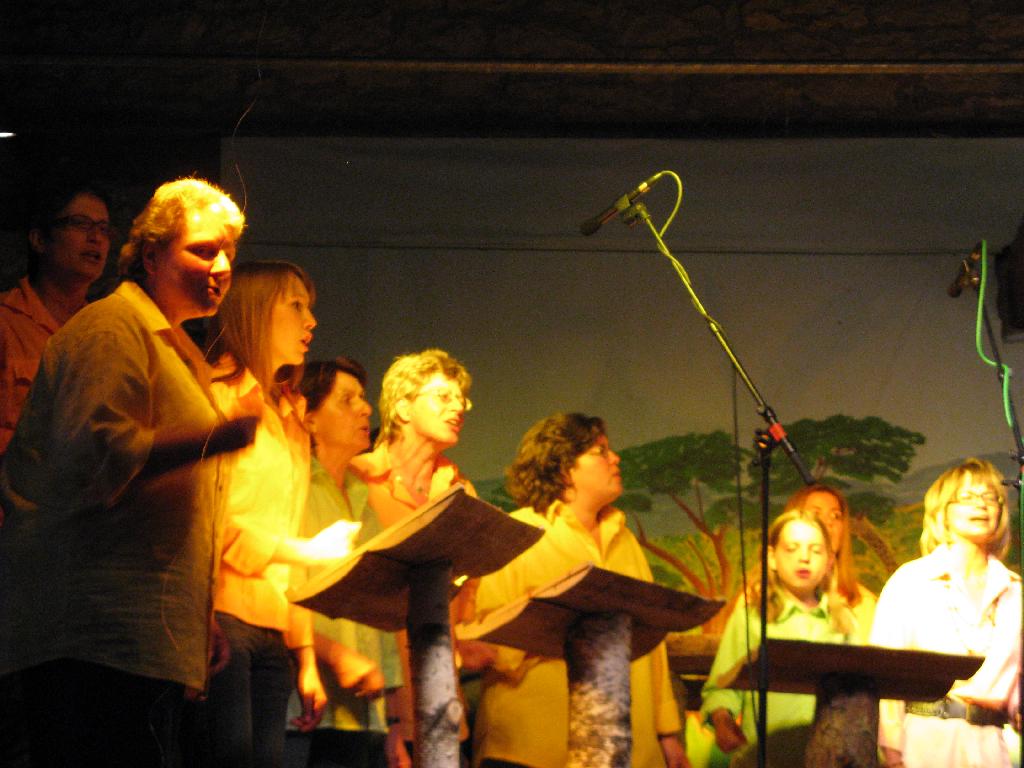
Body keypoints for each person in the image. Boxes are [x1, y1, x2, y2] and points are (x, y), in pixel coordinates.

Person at [0, 177, 254, 767]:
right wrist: (215, 438)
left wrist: (198, 614)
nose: (221, 267)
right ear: (151, 255)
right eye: (203, 250)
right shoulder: (111, 329)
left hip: (138, 639)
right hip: (96, 639)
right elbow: (97, 460)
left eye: (228, 254)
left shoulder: (175, 349)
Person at [203, 260, 358, 768]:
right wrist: (304, 550)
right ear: (253, 310)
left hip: (274, 629)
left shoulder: (289, 416)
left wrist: (305, 655)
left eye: (309, 308)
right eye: (295, 306)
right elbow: (210, 522)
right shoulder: (217, 395)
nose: (311, 321)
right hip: (221, 617)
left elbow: (288, 536)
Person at [470, 412, 688, 768]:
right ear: (562, 468)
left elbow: (653, 647)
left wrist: (667, 734)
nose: (615, 458)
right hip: (532, 750)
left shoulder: (624, 539)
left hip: (628, 752)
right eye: (600, 451)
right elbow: (489, 642)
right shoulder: (518, 534)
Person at [349, 347, 478, 750]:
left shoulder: (461, 493)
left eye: (461, 399)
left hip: (440, 695)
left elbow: (470, 594)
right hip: (371, 689)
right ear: (403, 407)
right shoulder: (357, 479)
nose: (457, 407)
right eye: (443, 396)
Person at [285, 358, 410, 768]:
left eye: (363, 398)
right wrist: (336, 655)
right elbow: (280, 590)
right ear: (310, 419)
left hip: (365, 717)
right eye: (346, 400)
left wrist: (395, 722)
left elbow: (381, 613)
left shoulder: (362, 499)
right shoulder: (294, 485)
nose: (365, 409)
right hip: (306, 709)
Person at [870, 457, 1021, 768]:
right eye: (967, 496)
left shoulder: (1014, 591)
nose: (980, 504)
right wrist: (893, 751)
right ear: (943, 512)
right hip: (925, 740)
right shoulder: (912, 581)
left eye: (990, 496)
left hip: (992, 745)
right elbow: (885, 672)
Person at [700, 508, 856, 768]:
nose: (804, 558)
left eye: (816, 550)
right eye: (792, 549)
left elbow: (857, 696)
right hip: (766, 757)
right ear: (772, 557)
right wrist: (722, 719)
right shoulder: (752, 618)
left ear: (829, 560)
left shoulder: (843, 623)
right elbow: (722, 686)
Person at [0, 178, 111, 462]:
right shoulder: (7, 322)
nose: (96, 238)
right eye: (80, 224)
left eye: (103, 228)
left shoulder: (104, 330)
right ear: (39, 239)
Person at [778, 484, 876, 641]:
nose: (828, 522)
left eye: (836, 516)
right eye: (815, 513)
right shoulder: (758, 598)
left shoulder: (863, 603)